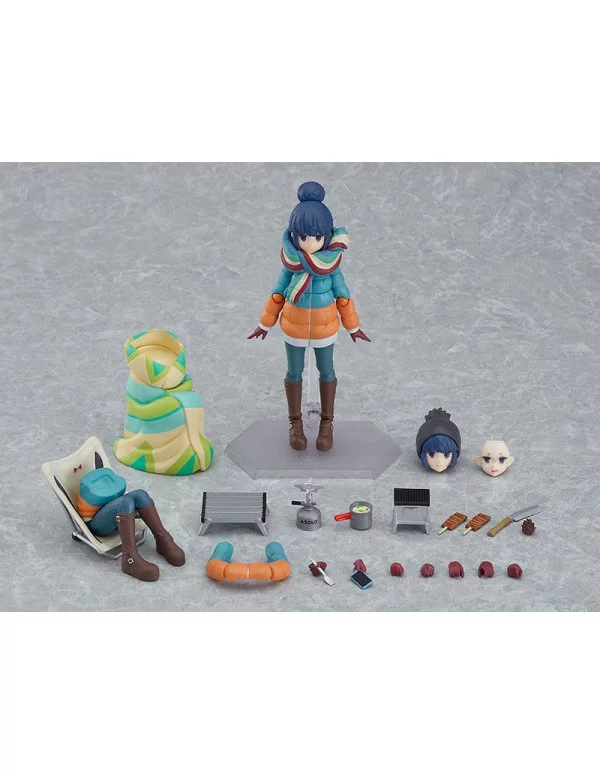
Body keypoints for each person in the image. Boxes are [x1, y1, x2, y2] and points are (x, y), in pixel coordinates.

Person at [248, 181, 370, 451]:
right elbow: (277, 294)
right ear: (294, 235)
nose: (310, 243)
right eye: (304, 237)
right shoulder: (290, 266)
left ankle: (327, 424)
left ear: (326, 236)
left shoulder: (331, 267)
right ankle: (296, 423)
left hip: (325, 329)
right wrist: (264, 323)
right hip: (294, 328)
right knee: (294, 372)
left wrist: (353, 326)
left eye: (316, 237)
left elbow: (343, 297)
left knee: (327, 371)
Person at [77, 468, 185, 581]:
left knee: (141, 495)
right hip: (97, 524)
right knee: (125, 502)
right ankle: (129, 558)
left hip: (110, 509)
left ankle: (162, 539)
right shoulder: (87, 487)